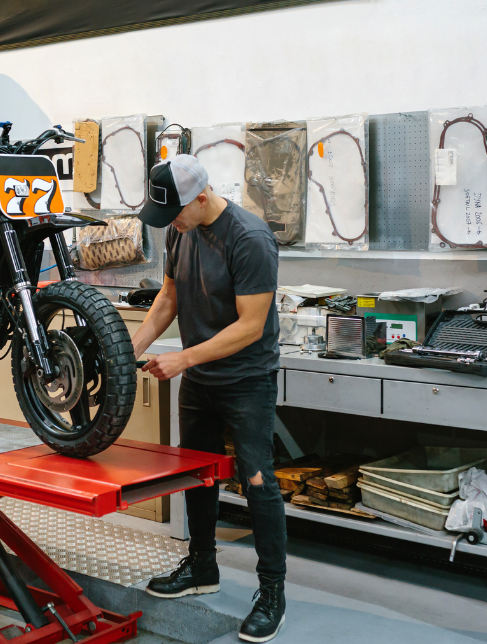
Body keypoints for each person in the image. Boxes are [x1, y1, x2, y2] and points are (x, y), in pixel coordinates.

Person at [131, 154, 286, 643]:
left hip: (246, 380)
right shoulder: (180, 229)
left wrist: (182, 359)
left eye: (175, 212)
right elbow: (169, 300)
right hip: (200, 378)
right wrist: (125, 350)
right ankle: (201, 567)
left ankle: (272, 592)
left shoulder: (250, 238)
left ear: (201, 197)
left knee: (258, 481)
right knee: (197, 474)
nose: (169, 224)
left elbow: (250, 326)